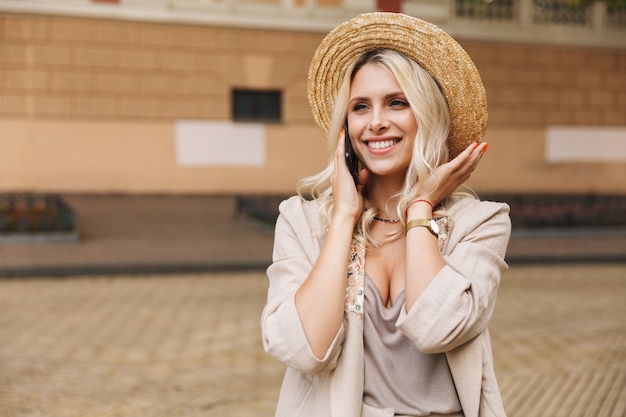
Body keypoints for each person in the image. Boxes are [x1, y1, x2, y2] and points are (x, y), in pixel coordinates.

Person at [261, 12, 511, 417]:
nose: (376, 122)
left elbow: (437, 329)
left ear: (426, 114)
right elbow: (303, 350)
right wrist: (344, 217)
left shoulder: (480, 223)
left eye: (397, 103)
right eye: (361, 107)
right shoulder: (302, 222)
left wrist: (419, 210)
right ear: (345, 127)